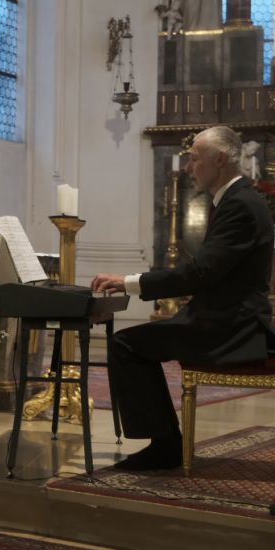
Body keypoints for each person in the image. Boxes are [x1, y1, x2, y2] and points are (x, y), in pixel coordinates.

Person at [92, 126, 274, 471]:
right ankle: (165, 442)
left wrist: (129, 282)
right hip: (221, 318)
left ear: (220, 159)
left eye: (195, 159)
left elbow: (200, 273)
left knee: (125, 345)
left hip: (230, 327)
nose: (189, 168)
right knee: (132, 343)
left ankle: (164, 447)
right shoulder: (238, 200)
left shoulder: (241, 205)